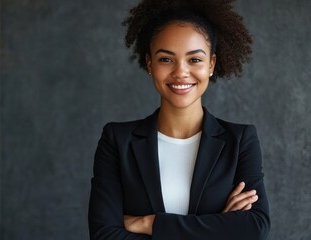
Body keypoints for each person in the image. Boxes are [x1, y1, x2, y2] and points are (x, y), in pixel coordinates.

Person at [88, 0, 270, 239]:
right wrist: (219, 227)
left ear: (211, 64)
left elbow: (255, 228)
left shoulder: (240, 141)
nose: (181, 72)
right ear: (149, 63)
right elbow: (104, 235)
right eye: (166, 59)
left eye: (194, 59)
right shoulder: (117, 141)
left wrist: (150, 224)